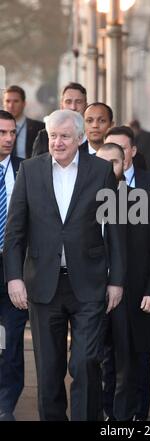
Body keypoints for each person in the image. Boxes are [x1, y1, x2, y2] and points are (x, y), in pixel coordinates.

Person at [3, 109, 126, 421]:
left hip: (89, 283)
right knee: (48, 370)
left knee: (85, 362)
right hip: (44, 285)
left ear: (80, 139)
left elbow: (114, 229)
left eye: (65, 137)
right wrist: (14, 278)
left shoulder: (100, 172)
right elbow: (15, 231)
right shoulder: (30, 171)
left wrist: (117, 280)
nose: (57, 142)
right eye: (53, 136)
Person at [103, 126, 150, 420]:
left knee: (138, 358)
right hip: (103, 291)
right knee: (108, 359)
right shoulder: (93, 186)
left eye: (121, 150)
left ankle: (137, 415)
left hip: (139, 286)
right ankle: (110, 414)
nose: (115, 156)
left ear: (132, 152)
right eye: (110, 150)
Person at [0, 110, 25, 421]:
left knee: (13, 343)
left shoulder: (27, 170)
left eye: (11, 133)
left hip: (15, 270)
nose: (7, 138)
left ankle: (6, 405)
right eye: (1, 132)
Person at [31, 82, 88, 157]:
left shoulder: (91, 135)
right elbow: (36, 165)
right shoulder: (45, 136)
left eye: (78, 102)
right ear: (61, 105)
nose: (73, 107)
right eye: (68, 101)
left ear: (86, 105)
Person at [2, 85, 44, 158]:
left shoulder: (40, 128)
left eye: (16, 101)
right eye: (8, 101)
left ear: (24, 104)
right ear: (3, 103)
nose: (11, 105)